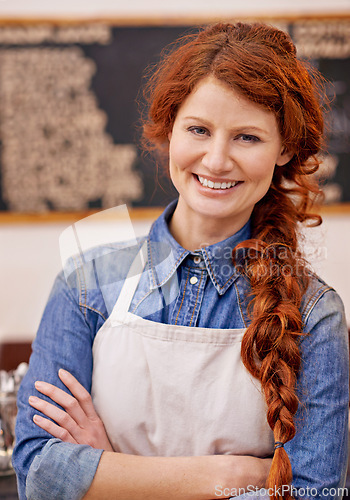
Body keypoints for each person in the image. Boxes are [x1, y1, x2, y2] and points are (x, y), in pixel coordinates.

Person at [13, 22, 349, 500]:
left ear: (285, 149)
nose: (216, 160)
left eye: (247, 137)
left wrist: (110, 470)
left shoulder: (316, 315)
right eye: (198, 129)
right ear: (170, 130)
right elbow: (38, 476)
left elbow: (312, 495)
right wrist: (236, 475)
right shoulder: (86, 283)